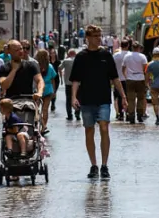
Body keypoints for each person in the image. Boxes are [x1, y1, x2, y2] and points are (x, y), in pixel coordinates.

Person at [70, 25, 128, 180]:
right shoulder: (81, 56)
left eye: (99, 36)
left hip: (103, 98)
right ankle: (94, 165)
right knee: (89, 131)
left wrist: (123, 96)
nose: (98, 39)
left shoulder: (106, 55)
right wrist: (73, 97)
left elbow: (115, 78)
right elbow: (76, 79)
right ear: (88, 38)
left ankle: (104, 165)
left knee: (104, 128)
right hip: (87, 98)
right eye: (95, 36)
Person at [0, 98, 32, 173]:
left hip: (22, 133)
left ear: (6, 109)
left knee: (19, 135)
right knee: (8, 136)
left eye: (1, 108)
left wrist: (7, 130)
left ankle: (23, 152)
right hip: (14, 134)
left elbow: (15, 130)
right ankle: (10, 150)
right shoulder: (6, 117)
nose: (0, 109)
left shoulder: (13, 118)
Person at [121, 41, 149, 124]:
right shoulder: (142, 56)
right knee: (140, 98)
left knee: (131, 99)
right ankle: (140, 115)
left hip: (130, 79)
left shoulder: (127, 56)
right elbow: (145, 69)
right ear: (139, 48)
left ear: (132, 47)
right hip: (140, 78)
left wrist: (126, 76)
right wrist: (146, 81)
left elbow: (123, 68)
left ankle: (131, 115)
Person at [37, 49, 59, 133]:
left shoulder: (36, 66)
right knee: (45, 109)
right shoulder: (50, 66)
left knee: (36, 109)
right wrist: (53, 91)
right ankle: (44, 127)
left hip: (38, 88)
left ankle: (42, 125)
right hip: (48, 88)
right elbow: (53, 79)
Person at [61, 48, 79, 122]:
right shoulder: (78, 61)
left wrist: (61, 77)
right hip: (78, 83)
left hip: (68, 83)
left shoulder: (66, 61)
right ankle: (77, 113)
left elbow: (59, 67)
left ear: (69, 54)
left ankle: (69, 115)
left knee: (68, 99)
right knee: (77, 98)